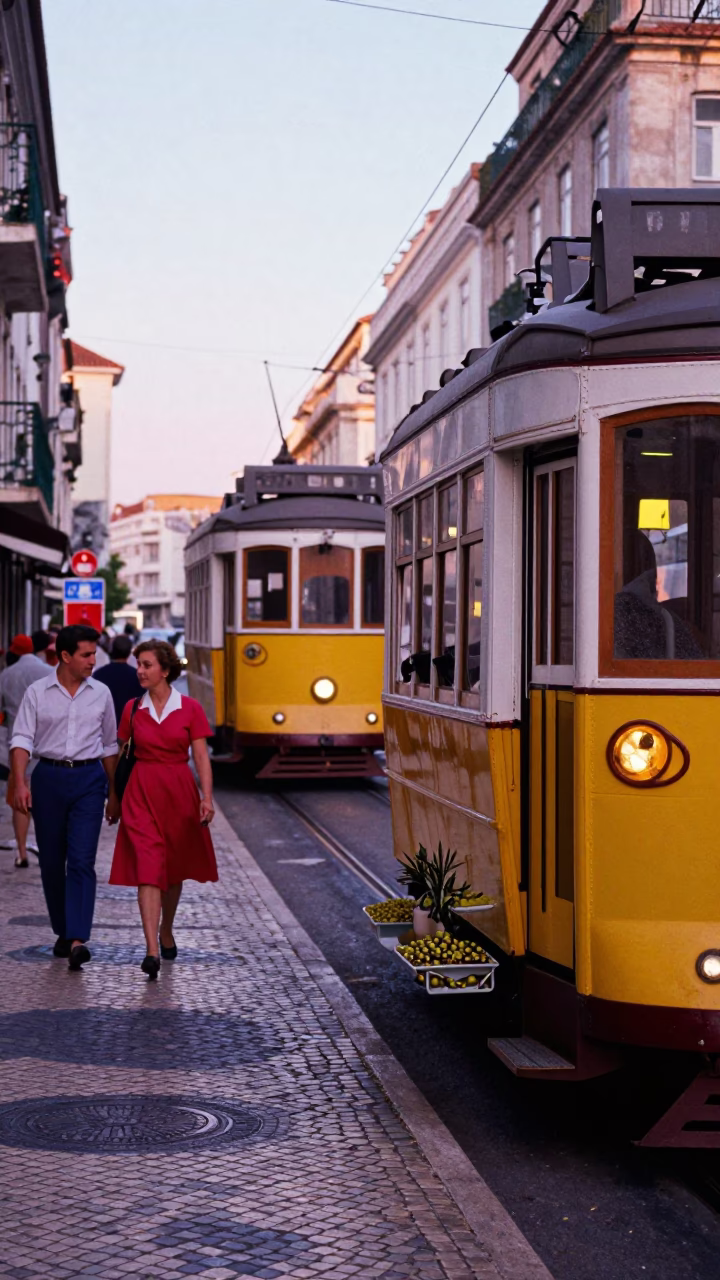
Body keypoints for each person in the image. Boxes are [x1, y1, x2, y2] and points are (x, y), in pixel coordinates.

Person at [10, 624, 119, 970]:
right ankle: (62, 929)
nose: (93, 660)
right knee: (53, 861)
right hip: (49, 778)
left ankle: (76, 938)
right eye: (86, 655)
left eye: (94, 653)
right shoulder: (37, 692)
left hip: (90, 779)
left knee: (83, 860)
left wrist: (114, 792)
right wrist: (20, 783)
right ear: (66, 656)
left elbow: (109, 746)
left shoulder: (101, 692)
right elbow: (22, 739)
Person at [107, 638, 217, 980]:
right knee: (148, 865)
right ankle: (151, 950)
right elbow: (121, 755)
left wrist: (206, 797)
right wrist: (114, 796)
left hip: (178, 792)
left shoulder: (190, 708)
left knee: (172, 871)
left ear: (165, 670)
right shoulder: (131, 709)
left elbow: (200, 756)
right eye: (138, 664)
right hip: (140, 790)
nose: (139, 670)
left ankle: (165, 929)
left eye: (147, 665)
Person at [0, 635, 48, 867]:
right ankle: (47, 848)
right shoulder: (49, 671)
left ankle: (22, 852)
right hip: (46, 745)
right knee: (46, 801)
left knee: (20, 799)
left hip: (16, 745)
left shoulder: (6, 675)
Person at [93, 634, 142, 725]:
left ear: (111, 650)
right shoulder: (139, 676)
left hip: (104, 728)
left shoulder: (98, 675)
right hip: (130, 729)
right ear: (129, 652)